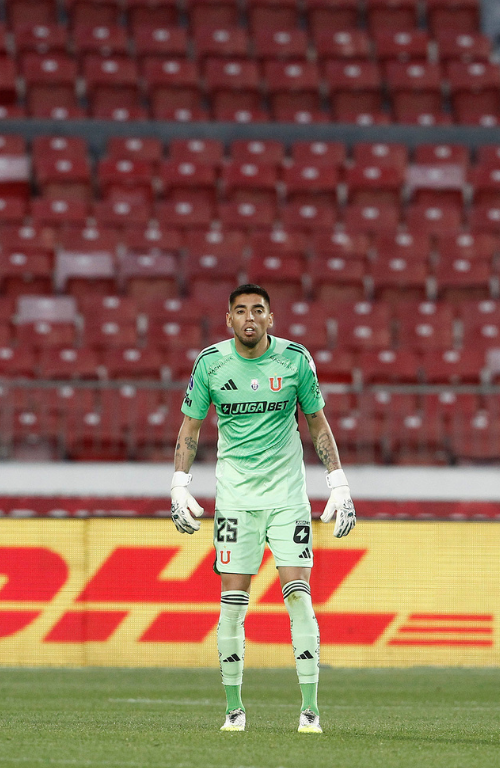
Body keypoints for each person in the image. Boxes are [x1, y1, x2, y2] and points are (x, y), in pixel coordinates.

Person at [169, 283, 357, 734]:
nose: (249, 317)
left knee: (299, 596)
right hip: (235, 498)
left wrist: (339, 483)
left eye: (258, 310)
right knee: (233, 604)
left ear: (271, 318)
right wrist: (179, 485)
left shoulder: (295, 360)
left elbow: (317, 422)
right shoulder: (211, 364)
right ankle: (234, 709)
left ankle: (310, 709)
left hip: (287, 497)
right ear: (228, 319)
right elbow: (190, 427)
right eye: (240, 310)